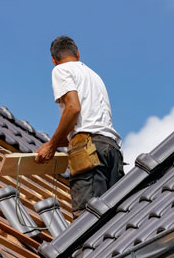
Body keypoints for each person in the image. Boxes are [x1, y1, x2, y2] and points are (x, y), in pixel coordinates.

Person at [36, 36, 124, 219]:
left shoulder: (60, 70)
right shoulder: (94, 76)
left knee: (88, 220)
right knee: (115, 218)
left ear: (53, 60)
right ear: (78, 54)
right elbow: (89, 121)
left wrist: (51, 146)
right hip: (111, 149)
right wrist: (56, 143)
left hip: (89, 151)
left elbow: (74, 108)